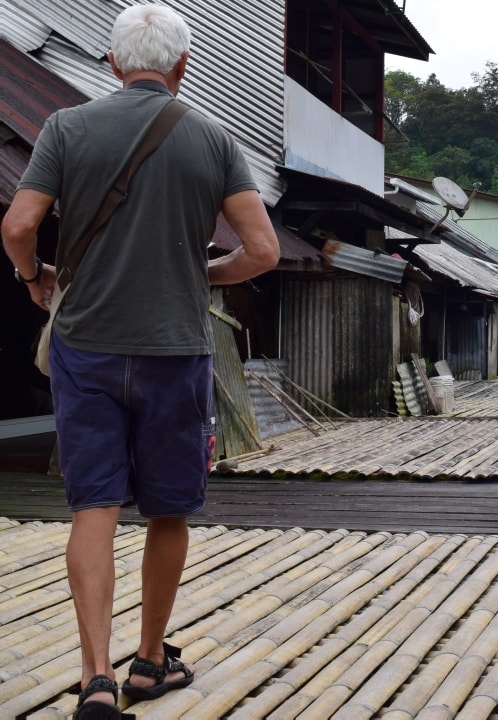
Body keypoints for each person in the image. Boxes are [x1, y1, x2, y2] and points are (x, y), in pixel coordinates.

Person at [1, 5, 279, 719]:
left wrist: (34, 275)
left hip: (86, 349)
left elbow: (19, 224)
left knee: (92, 506)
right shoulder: (214, 139)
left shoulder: (66, 128)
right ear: (182, 67)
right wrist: (199, 274)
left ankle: (96, 676)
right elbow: (263, 252)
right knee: (167, 509)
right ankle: (150, 663)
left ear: (113, 64)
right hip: (174, 351)